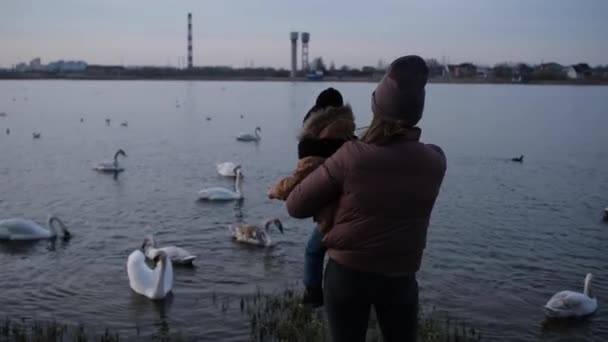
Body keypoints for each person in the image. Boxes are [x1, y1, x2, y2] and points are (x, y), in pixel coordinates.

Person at [286, 55, 446, 342]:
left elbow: (295, 206)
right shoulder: (436, 160)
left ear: (376, 107)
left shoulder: (351, 156)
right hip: (401, 278)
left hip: (348, 276)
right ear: (417, 112)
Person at [268, 87, 356, 307]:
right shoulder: (353, 142)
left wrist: (276, 190)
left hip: (334, 216)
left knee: (313, 249)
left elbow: (299, 182)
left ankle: (313, 294)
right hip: (357, 210)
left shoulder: (316, 148)